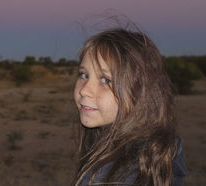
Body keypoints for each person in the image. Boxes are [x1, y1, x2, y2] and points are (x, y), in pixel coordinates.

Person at [73, 27, 187, 185]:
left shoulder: (109, 177)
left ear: (140, 91)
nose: (85, 90)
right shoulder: (162, 147)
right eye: (84, 75)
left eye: (105, 80)